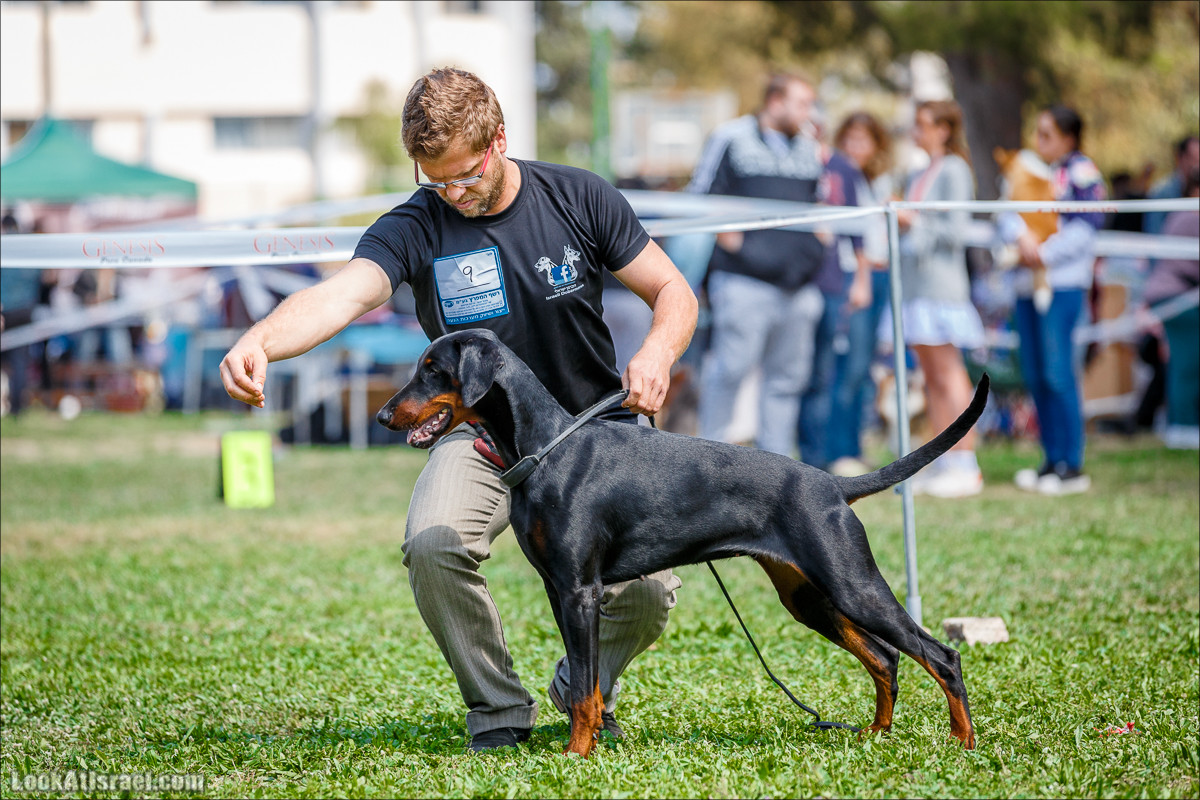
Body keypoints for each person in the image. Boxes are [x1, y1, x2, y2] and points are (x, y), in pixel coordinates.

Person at [220, 67, 698, 752]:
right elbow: (342, 296)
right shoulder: (416, 225)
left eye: (466, 175)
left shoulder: (579, 197)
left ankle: (582, 684)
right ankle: (500, 710)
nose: (454, 194)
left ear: (499, 140)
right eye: (434, 179)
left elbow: (673, 289)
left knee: (649, 593)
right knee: (434, 542)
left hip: (594, 433)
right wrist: (261, 339)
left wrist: (657, 351)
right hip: (482, 437)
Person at [689, 72, 827, 456]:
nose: (808, 112)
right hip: (743, 283)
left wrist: (816, 248)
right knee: (729, 372)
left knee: (786, 381)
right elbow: (701, 194)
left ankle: (778, 467)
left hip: (799, 288)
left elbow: (819, 203)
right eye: (802, 103)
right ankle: (708, 460)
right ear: (775, 101)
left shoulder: (811, 146)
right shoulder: (731, 137)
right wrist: (733, 241)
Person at [999, 105, 1107, 494]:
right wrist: (1021, 239)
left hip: (1062, 285)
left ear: (1068, 138)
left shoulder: (1082, 173)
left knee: (1058, 373)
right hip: (1026, 285)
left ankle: (1071, 463)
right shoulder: (1025, 168)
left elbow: (1087, 227)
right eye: (1037, 133)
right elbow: (1006, 211)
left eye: (1047, 134)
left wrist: (1045, 253)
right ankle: (1049, 459)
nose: (1038, 141)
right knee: (1035, 372)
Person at [880, 99, 986, 498]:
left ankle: (966, 462)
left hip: (940, 287)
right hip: (916, 286)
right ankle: (945, 459)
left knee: (948, 374)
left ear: (944, 129)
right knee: (933, 379)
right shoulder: (921, 170)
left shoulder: (955, 170)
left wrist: (912, 221)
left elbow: (954, 230)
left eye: (923, 124)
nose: (916, 131)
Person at [798, 112, 894, 476]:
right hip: (847, 279)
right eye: (850, 138)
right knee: (841, 369)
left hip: (868, 278)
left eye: (864, 140)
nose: (856, 147)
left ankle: (850, 446)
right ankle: (834, 451)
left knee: (858, 369)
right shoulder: (835, 172)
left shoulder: (868, 178)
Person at [1142, 168, 1200, 449]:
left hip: (1166, 297)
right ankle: (1185, 428)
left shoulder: (1177, 215)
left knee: (1179, 363)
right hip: (1178, 298)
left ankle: (1179, 424)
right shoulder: (1192, 216)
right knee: (1188, 364)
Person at [1143, 135, 1200, 237]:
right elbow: (1153, 235)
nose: (1197, 164)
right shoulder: (1162, 193)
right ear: (1180, 158)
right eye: (1193, 158)